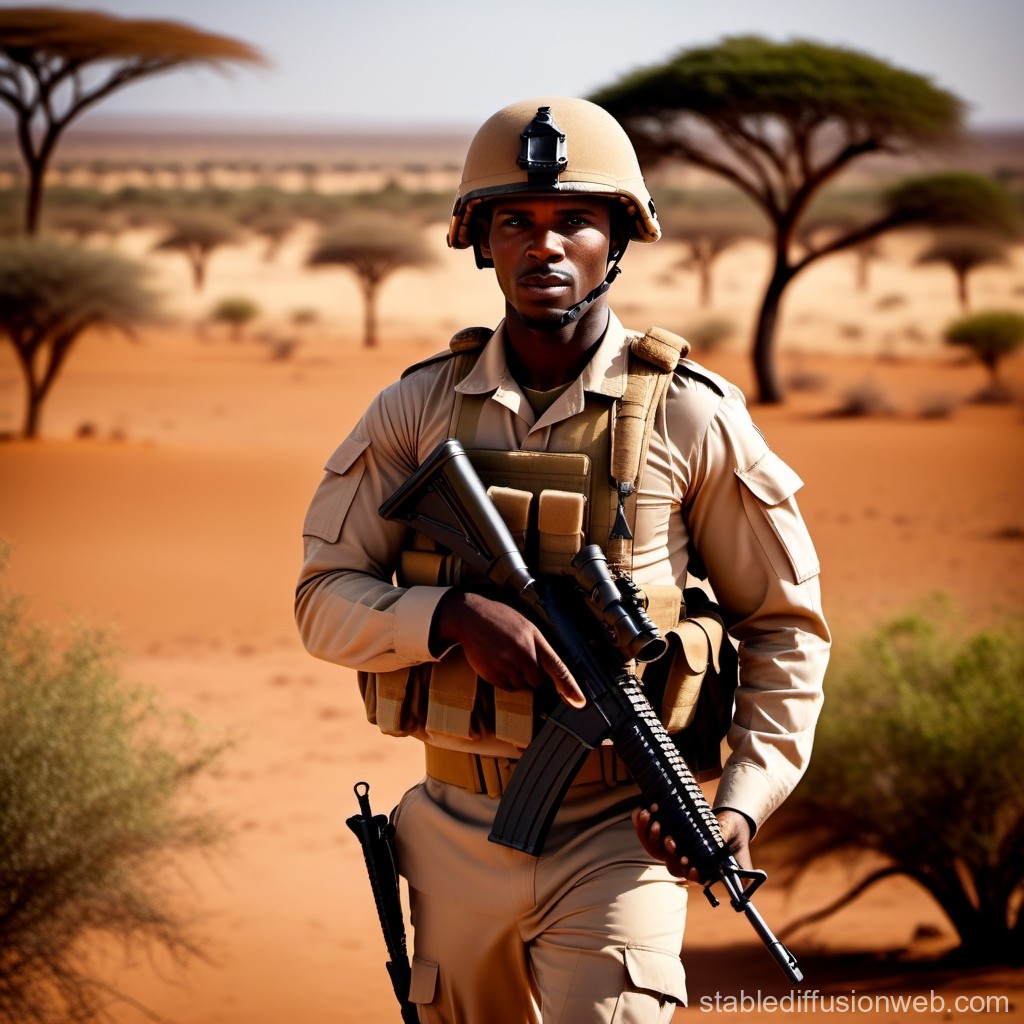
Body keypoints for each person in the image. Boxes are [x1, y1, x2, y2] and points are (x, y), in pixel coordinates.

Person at [295, 96, 830, 1024]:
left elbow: (785, 629)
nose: (544, 246)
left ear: (617, 239)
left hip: (623, 834)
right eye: (517, 222)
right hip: (454, 830)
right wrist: (449, 618)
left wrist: (739, 806)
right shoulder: (416, 409)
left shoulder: (692, 415)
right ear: (481, 241)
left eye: (574, 220)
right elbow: (322, 600)